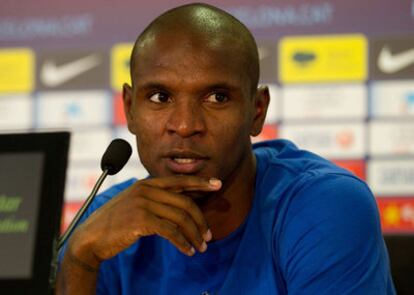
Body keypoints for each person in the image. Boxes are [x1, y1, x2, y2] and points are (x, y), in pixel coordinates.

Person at [56, 3, 395, 294]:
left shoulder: (324, 206)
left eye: (217, 97)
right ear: (130, 109)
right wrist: (80, 260)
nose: (186, 125)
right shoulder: (103, 226)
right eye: (161, 97)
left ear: (256, 111)